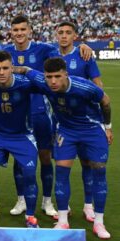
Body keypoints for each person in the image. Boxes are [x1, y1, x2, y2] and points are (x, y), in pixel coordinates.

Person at [3, 15, 91, 218]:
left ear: (30, 31)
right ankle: (21, 199)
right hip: (16, 113)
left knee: (44, 158)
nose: (19, 33)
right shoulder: (5, 52)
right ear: (11, 32)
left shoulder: (44, 49)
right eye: (15, 30)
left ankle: (47, 201)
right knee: (20, 159)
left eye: (22, 29)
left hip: (40, 112)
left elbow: (65, 51)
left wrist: (83, 46)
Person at [15, 57, 112, 239]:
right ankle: (62, 220)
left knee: (99, 171)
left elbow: (105, 101)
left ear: (65, 74)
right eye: (49, 77)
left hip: (92, 131)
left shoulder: (84, 87)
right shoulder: (43, 82)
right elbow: (25, 69)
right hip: (66, 132)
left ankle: (99, 222)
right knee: (61, 173)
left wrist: (108, 127)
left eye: (57, 76)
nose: (53, 81)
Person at [0, 51, 39, 228]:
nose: (2, 72)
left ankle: (30, 217)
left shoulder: (25, 84)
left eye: (5, 68)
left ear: (12, 68)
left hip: (23, 136)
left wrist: (26, 69)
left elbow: (44, 81)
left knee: (29, 176)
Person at [54, 21, 104, 222]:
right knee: (61, 164)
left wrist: (103, 123)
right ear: (56, 35)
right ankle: (62, 209)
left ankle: (88, 205)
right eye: (61, 32)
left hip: (85, 121)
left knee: (87, 164)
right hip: (61, 121)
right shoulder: (50, 54)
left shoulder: (84, 55)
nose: (64, 36)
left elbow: (99, 87)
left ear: (75, 36)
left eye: (68, 32)